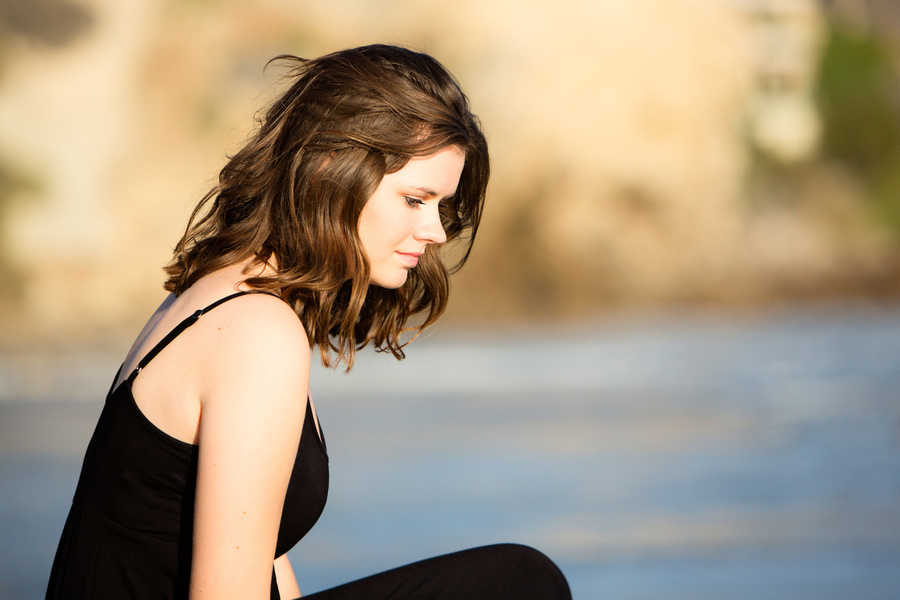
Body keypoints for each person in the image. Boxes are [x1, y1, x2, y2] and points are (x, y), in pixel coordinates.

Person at [45, 44, 571, 600]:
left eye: (440, 206)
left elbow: (262, 555)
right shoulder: (255, 332)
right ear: (331, 168)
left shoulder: (229, 294)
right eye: (416, 200)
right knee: (519, 585)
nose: (437, 231)